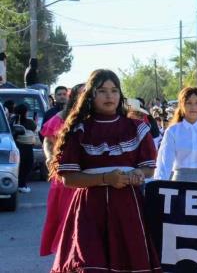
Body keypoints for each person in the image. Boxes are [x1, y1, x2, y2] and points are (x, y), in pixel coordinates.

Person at [49, 69, 160, 273]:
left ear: (120, 95)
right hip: (90, 208)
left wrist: (138, 174)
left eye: (114, 90)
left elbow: (148, 170)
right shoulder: (79, 130)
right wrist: (105, 178)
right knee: (90, 263)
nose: (109, 96)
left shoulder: (136, 127)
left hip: (128, 207)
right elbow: (69, 179)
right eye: (102, 91)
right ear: (91, 96)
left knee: (129, 262)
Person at [39, 83, 84, 256]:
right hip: (66, 177)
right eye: (81, 94)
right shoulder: (60, 117)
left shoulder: (97, 117)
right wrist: (50, 157)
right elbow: (48, 141)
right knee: (66, 221)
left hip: (92, 177)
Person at [13, 103, 37, 193]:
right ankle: (21, 185)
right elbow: (35, 128)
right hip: (27, 147)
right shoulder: (29, 122)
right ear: (25, 112)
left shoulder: (12, 120)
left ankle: (18, 184)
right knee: (27, 165)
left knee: (19, 166)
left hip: (16, 146)